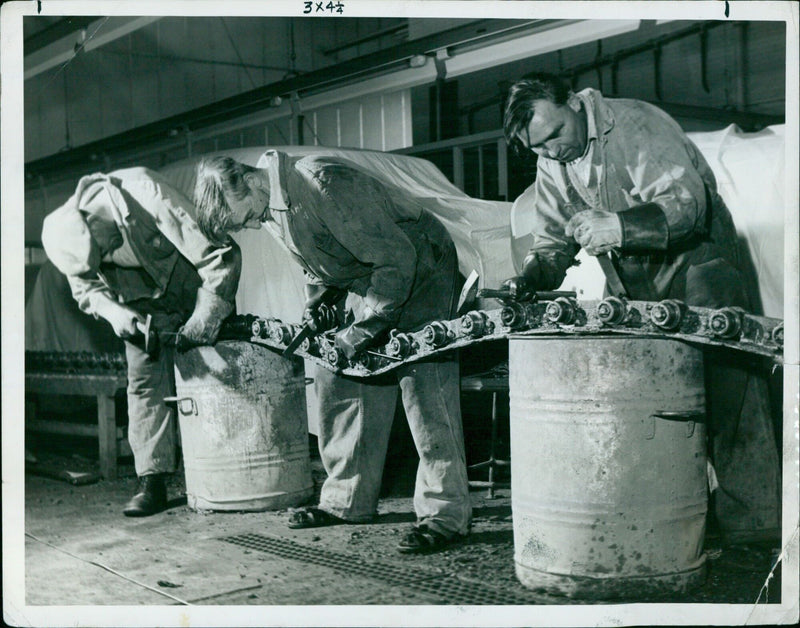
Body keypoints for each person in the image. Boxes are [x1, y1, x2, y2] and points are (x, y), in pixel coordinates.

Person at [502, 73, 781, 544]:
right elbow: (553, 237)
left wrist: (622, 227)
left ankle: (756, 525)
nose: (551, 151)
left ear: (573, 103)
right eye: (538, 149)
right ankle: (673, 513)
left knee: (728, 396)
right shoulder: (554, 162)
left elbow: (686, 204)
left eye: (555, 135)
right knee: (639, 401)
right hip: (634, 284)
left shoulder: (637, 124)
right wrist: (530, 277)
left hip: (701, 268)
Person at [193, 151, 472, 554]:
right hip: (370, 275)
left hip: (419, 265)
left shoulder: (321, 184)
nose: (250, 226)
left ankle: (445, 514)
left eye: (244, 218)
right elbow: (318, 261)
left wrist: (362, 331)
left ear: (251, 182)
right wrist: (319, 307)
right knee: (339, 374)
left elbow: (396, 259)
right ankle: (347, 500)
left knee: (424, 383)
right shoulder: (271, 206)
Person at [41, 167, 241, 517]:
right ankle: (152, 482)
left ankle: (231, 470)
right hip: (140, 303)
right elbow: (85, 289)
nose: (103, 258)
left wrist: (206, 315)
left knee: (217, 374)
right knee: (144, 382)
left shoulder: (147, 193)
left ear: (93, 219)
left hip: (192, 286)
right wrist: (115, 313)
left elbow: (218, 254)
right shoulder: (71, 238)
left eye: (100, 248)